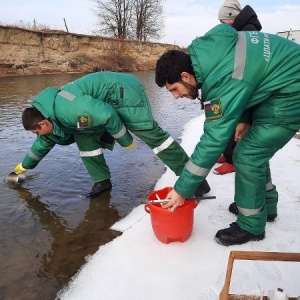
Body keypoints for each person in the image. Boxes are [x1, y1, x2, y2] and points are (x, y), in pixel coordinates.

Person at [155, 25, 300, 246]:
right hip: (280, 87)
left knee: (247, 155)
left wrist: (182, 189)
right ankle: (264, 208)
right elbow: (253, 76)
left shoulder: (219, 82)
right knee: (254, 149)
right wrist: (245, 117)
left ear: (186, 76)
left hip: (291, 94)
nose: (176, 97)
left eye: (175, 89)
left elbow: (214, 140)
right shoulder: (211, 55)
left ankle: (251, 225)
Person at [14, 71, 211, 197]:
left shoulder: (68, 111)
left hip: (123, 91)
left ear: (43, 122)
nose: (37, 136)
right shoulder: (51, 117)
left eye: (36, 132)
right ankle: (102, 182)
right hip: (97, 105)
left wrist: (125, 140)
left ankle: (195, 181)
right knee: (85, 138)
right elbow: (42, 144)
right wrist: (22, 167)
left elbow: (106, 113)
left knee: (153, 136)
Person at [214, 0, 262, 176]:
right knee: (225, 118)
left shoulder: (248, 32)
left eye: (222, 21)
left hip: (247, 88)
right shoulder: (240, 31)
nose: (221, 25)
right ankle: (227, 155)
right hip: (236, 86)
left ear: (231, 16)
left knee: (237, 121)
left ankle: (232, 160)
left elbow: (249, 71)